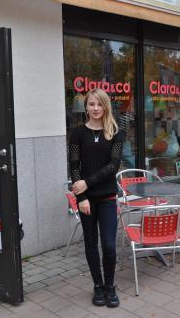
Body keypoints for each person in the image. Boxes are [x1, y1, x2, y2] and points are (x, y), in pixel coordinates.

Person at [68, 88, 123, 308]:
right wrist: (81, 196)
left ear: (105, 106)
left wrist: (87, 183)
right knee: (91, 243)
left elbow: (113, 165)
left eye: (99, 104)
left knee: (109, 245)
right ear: (86, 107)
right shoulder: (78, 133)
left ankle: (110, 286)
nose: (96, 108)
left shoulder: (115, 132)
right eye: (91, 104)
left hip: (108, 197)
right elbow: (74, 166)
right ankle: (98, 286)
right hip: (86, 200)